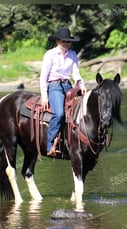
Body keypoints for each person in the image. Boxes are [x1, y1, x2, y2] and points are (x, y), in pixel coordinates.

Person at [40, 27, 87, 157]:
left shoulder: (72, 54)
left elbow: (76, 73)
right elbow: (43, 77)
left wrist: (81, 85)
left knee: (83, 109)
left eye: (68, 41)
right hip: (54, 86)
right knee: (60, 114)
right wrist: (44, 96)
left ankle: (78, 141)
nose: (66, 43)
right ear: (57, 41)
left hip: (68, 85)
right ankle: (50, 144)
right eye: (63, 41)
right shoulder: (50, 54)